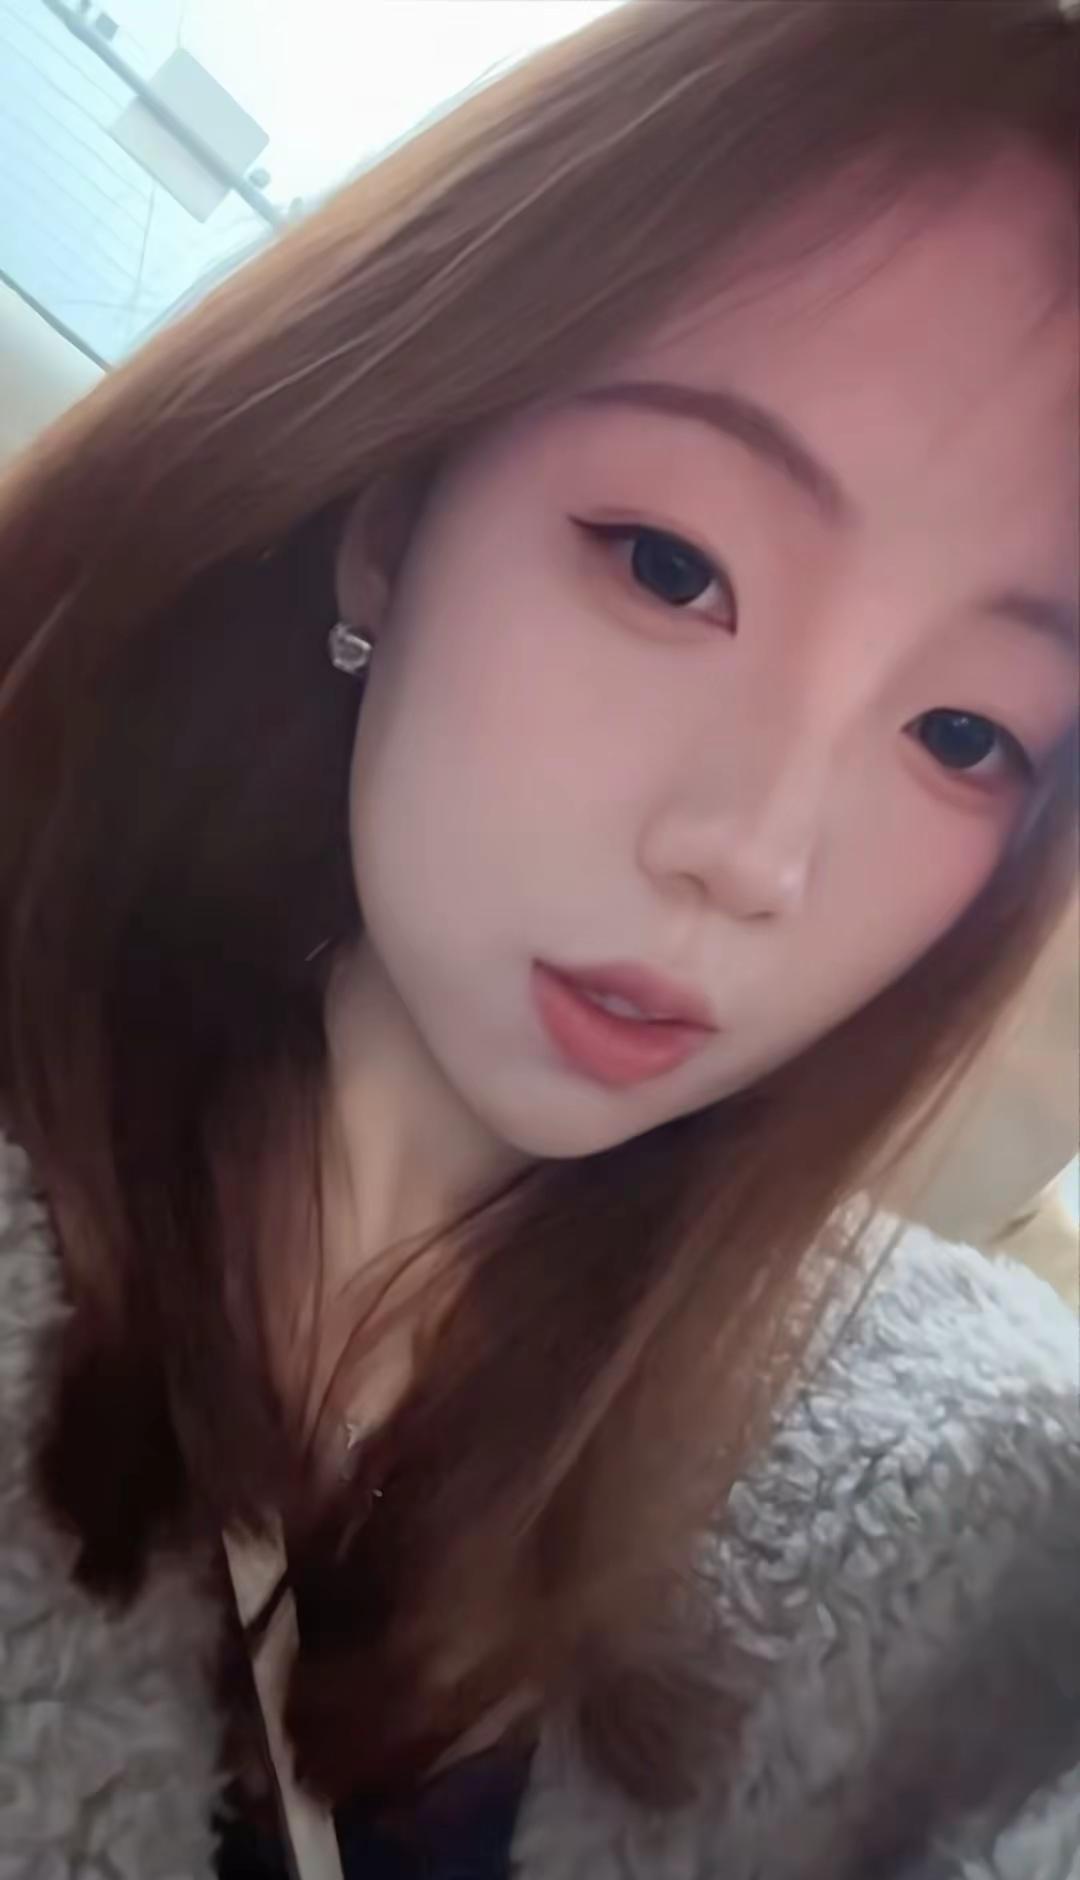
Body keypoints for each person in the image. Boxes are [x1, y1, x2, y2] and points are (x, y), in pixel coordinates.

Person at [0, 2, 1077, 1876]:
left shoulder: (956, 1502)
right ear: (394, 515)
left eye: (964, 734)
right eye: (672, 567)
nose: (752, 855)